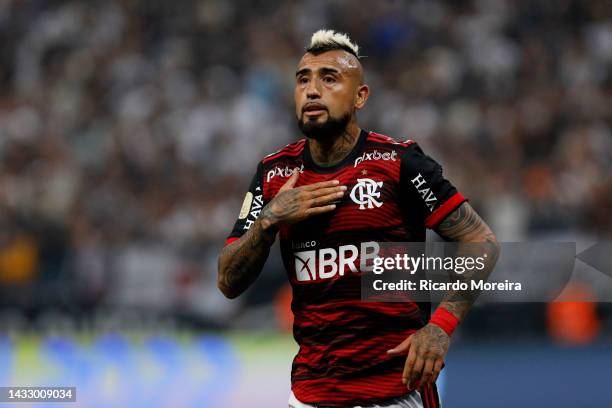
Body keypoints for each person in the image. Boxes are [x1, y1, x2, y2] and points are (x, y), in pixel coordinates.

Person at [218, 29, 499, 408]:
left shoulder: (400, 164)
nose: (312, 90)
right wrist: (268, 221)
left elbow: (481, 241)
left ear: (360, 96)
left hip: (395, 391)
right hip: (311, 394)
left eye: (329, 79)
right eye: (303, 79)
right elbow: (227, 280)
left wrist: (441, 327)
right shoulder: (273, 174)